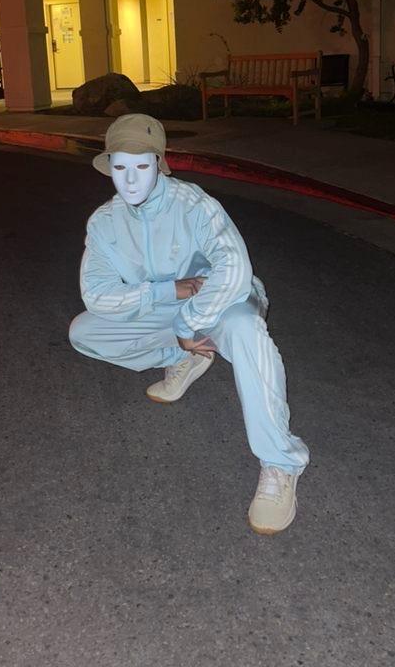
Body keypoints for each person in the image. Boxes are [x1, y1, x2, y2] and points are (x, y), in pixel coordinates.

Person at [69, 114, 309, 534]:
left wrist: (191, 320)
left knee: (247, 333)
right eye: (120, 167)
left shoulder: (194, 205)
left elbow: (234, 268)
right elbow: (97, 294)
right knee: (85, 331)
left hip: (223, 300)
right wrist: (167, 294)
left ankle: (279, 462)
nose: (130, 180)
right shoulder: (105, 223)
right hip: (171, 305)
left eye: (141, 166)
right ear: (109, 167)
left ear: (159, 164)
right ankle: (182, 357)